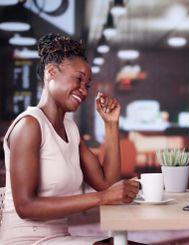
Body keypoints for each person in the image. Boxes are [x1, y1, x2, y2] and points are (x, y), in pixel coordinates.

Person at [0, 33, 140, 244]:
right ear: (51, 72)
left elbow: (107, 184)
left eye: (88, 84)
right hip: (26, 240)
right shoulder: (29, 125)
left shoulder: (70, 128)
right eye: (79, 78)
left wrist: (111, 125)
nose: (84, 90)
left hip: (60, 237)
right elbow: (25, 207)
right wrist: (102, 198)